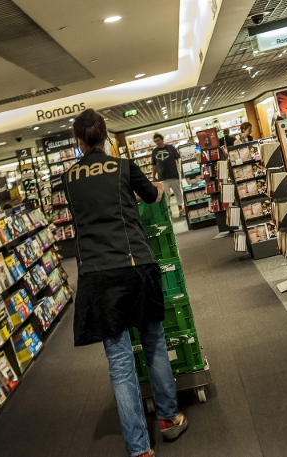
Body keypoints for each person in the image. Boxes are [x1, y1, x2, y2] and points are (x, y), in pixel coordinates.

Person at [62, 109, 188, 457]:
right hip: (135, 266)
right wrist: (157, 188)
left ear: (78, 140)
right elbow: (152, 196)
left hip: (97, 275)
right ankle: (168, 418)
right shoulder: (123, 166)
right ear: (105, 136)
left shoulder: (69, 178)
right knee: (154, 343)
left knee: (119, 361)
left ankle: (139, 449)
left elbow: (83, 214)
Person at [150, 133, 185, 217]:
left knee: (178, 193)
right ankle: (168, 212)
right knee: (166, 195)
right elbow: (154, 165)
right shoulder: (154, 151)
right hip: (162, 177)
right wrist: (153, 176)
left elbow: (178, 158)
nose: (157, 142)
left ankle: (181, 210)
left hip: (173, 175)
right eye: (155, 141)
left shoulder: (170, 148)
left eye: (158, 140)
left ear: (162, 140)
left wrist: (180, 170)